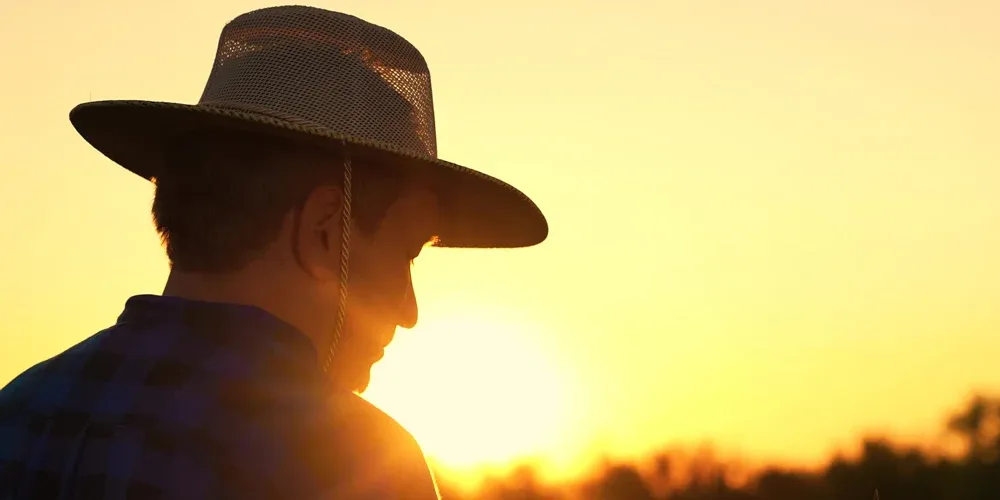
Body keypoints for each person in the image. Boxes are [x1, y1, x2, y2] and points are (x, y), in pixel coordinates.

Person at [0, 5, 547, 499]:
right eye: (407, 254)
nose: (410, 311)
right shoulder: (352, 465)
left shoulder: (19, 411)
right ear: (325, 229)